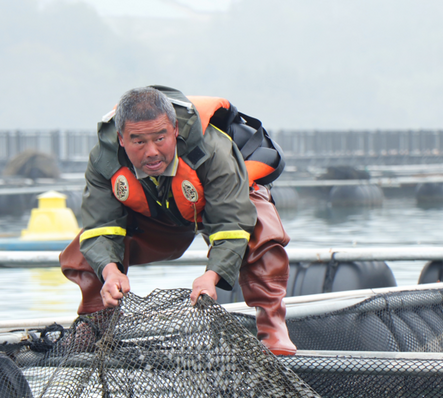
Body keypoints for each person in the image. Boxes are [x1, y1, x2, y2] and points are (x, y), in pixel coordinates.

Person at [59, 85, 296, 355]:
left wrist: (212, 276)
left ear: (175, 130)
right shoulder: (104, 158)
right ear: (121, 139)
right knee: (85, 245)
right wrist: (109, 271)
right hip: (161, 219)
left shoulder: (214, 149)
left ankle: (272, 323)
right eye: (138, 142)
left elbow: (232, 223)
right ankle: (95, 322)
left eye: (160, 138)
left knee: (259, 226)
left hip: (215, 204)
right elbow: (100, 226)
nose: (151, 152)